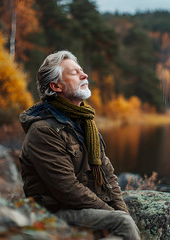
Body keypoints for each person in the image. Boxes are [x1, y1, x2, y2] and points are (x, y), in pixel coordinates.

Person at [19, 50, 140, 240]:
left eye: (81, 70)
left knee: (124, 221)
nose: (84, 75)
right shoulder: (43, 131)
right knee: (123, 224)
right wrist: (114, 215)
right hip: (53, 214)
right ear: (55, 86)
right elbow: (68, 189)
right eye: (74, 73)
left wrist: (120, 211)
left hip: (82, 210)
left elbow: (108, 174)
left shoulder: (86, 123)